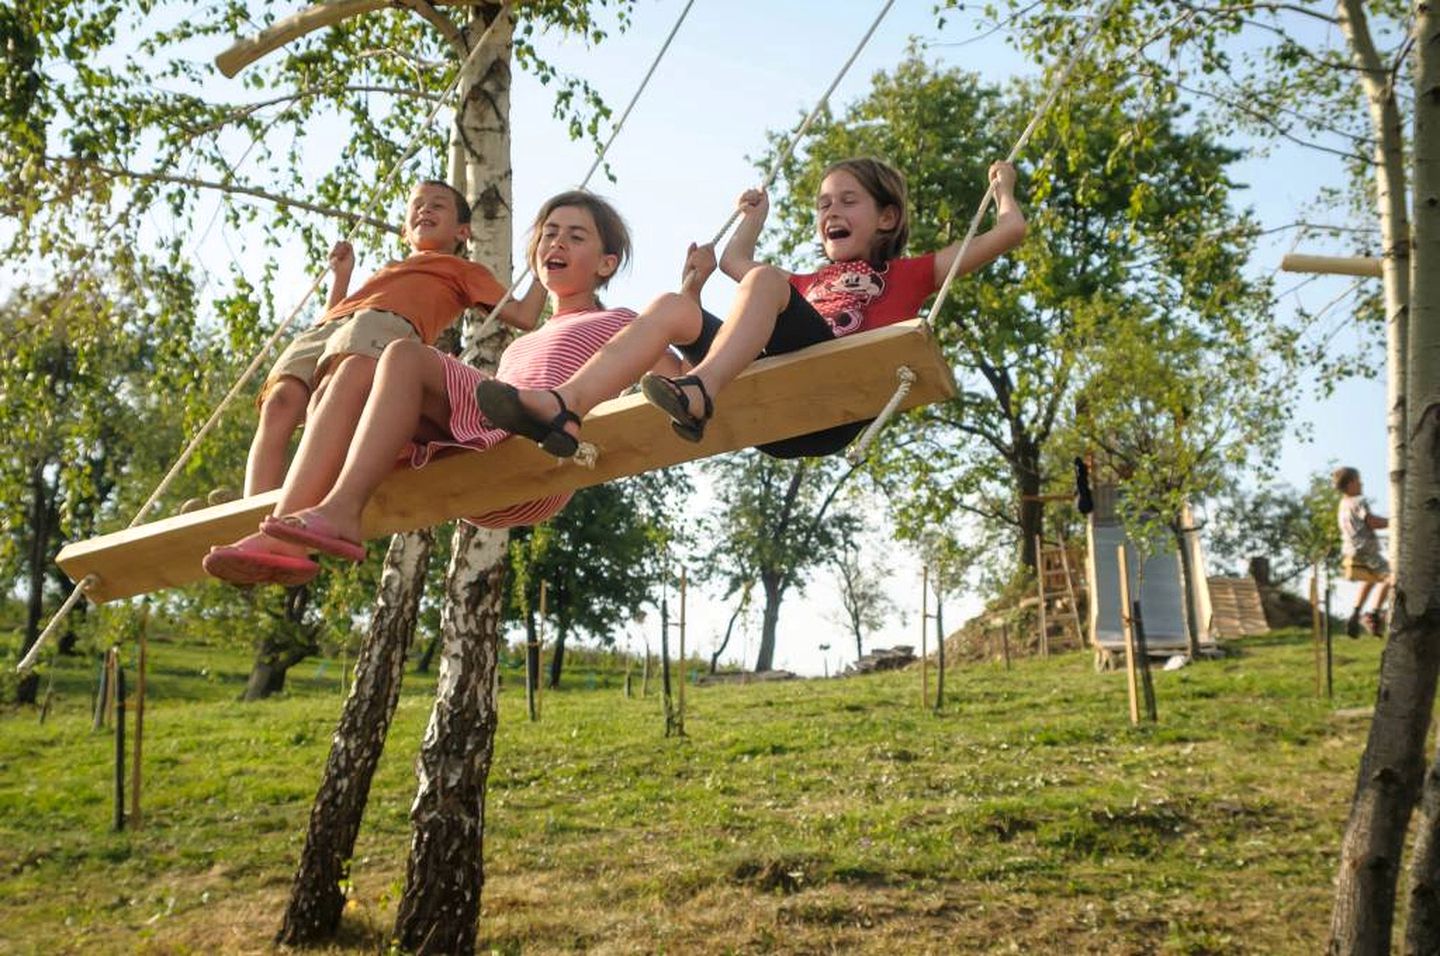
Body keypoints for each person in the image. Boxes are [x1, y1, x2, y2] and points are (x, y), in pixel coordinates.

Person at [202, 190, 704, 586]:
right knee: (354, 366)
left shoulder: (617, 321)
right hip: (477, 458)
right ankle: (284, 532)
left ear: (606, 264)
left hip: (535, 459)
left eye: (576, 237)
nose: (557, 244)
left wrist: (690, 296)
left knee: (401, 354)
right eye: (550, 234)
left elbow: (672, 377)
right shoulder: (516, 348)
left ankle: (338, 512)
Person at [474, 156, 1026, 459]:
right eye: (824, 204)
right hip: (774, 409)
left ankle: (700, 391)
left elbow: (1010, 230)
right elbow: (739, 259)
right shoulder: (804, 281)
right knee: (672, 306)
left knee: (764, 280)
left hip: (834, 399)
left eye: (848, 201)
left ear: (886, 217)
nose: (831, 210)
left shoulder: (912, 272)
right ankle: (565, 408)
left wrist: (1003, 189)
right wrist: (750, 220)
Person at [241, 180, 545, 495]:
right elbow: (336, 323)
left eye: (438, 205)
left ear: (462, 232)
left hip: (385, 324)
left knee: (329, 395)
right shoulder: (388, 269)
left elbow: (523, 315)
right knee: (279, 402)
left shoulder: (463, 270)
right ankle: (251, 512)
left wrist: (542, 268)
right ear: (404, 229)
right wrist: (342, 277)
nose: (425, 209)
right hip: (331, 326)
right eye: (417, 204)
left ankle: (299, 500)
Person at [1334, 466, 1391, 637]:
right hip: (1365, 550)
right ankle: (1373, 614)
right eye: (1358, 480)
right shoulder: (1358, 501)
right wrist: (1395, 521)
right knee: (1393, 576)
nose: (1361, 483)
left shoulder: (1343, 505)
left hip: (1351, 550)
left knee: (1372, 579)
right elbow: (1372, 522)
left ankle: (1356, 612)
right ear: (1351, 484)